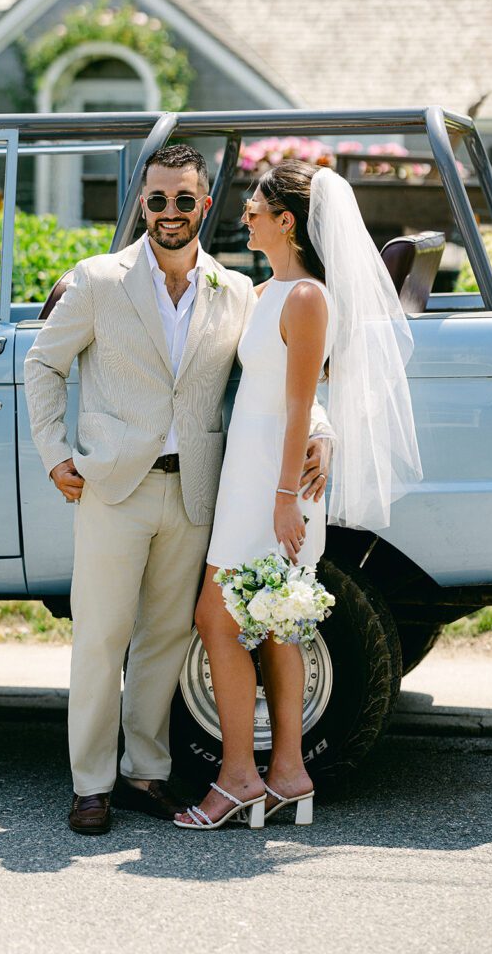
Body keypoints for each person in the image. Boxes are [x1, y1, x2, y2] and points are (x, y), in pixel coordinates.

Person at [24, 146, 333, 836]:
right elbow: (42, 362)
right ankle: (91, 784)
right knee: (102, 638)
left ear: (203, 205)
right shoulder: (100, 279)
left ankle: (144, 773)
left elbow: (289, 369)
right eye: (157, 199)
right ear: (142, 205)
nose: (170, 212)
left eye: (184, 200)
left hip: (196, 491)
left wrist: (322, 429)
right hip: (112, 487)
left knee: (166, 638)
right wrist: (53, 454)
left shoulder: (233, 289)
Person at [175, 160, 422, 831]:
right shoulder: (266, 291)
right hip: (250, 475)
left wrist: (287, 492)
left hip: (272, 484)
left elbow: (300, 399)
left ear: (285, 221)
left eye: (254, 206)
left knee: (217, 621)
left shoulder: (307, 297)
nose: (244, 213)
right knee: (273, 623)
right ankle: (285, 773)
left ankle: (236, 778)